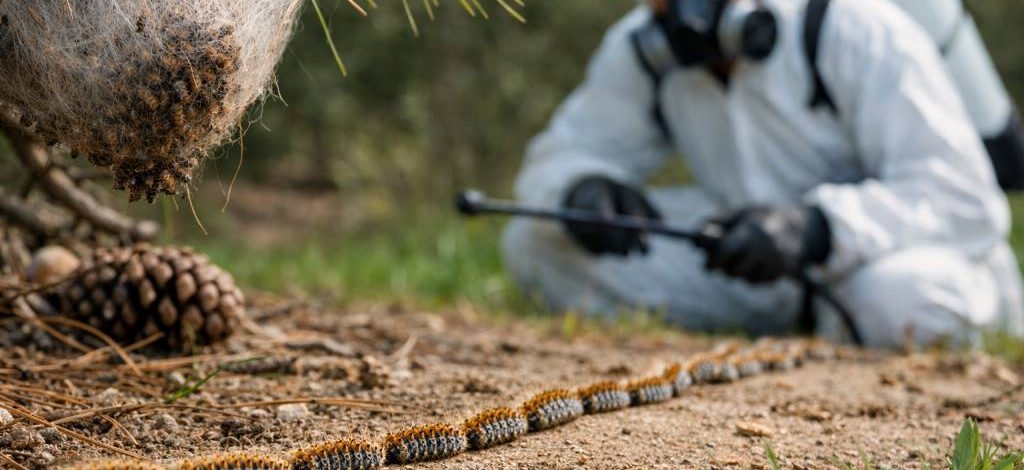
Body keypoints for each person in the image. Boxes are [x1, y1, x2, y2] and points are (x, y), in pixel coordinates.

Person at [502, 0, 1024, 348]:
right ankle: (783, 329)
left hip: (883, 267)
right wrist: (582, 186)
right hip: (745, 267)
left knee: (897, 301)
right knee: (538, 242)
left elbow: (965, 199)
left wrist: (819, 228)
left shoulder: (856, 26)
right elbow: (562, 155)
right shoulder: (643, 49)